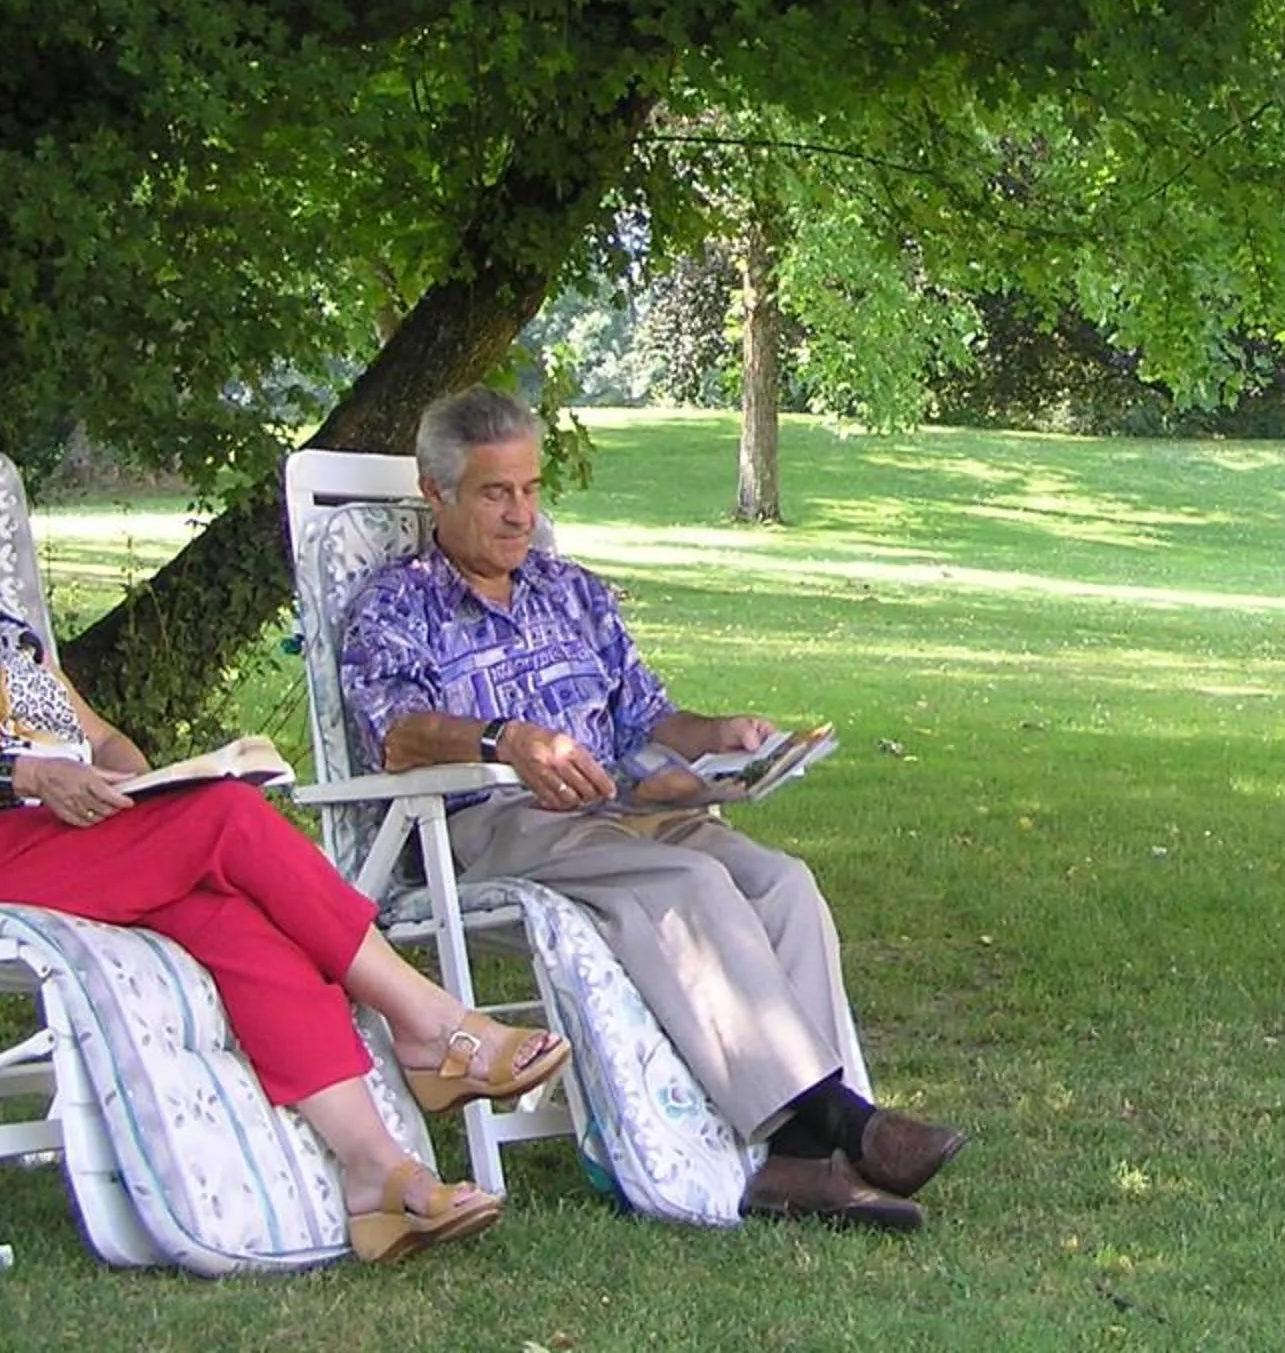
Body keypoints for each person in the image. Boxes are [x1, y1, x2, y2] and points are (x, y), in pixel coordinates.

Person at [0, 399, 572, 1266]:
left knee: (238, 920)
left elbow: (94, 733)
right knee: (230, 822)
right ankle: (430, 1024)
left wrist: (146, 773)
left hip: (59, 836)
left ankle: (377, 1177)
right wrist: (22, 774)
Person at [339, 386, 967, 1232]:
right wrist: (505, 741)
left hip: (617, 812)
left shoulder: (572, 592)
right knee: (689, 884)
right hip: (489, 823)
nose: (521, 513)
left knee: (780, 880)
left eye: (529, 489)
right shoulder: (397, 604)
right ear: (435, 493)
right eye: (496, 493)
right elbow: (396, 736)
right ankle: (841, 1125)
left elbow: (644, 719)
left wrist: (720, 737)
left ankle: (798, 1163)